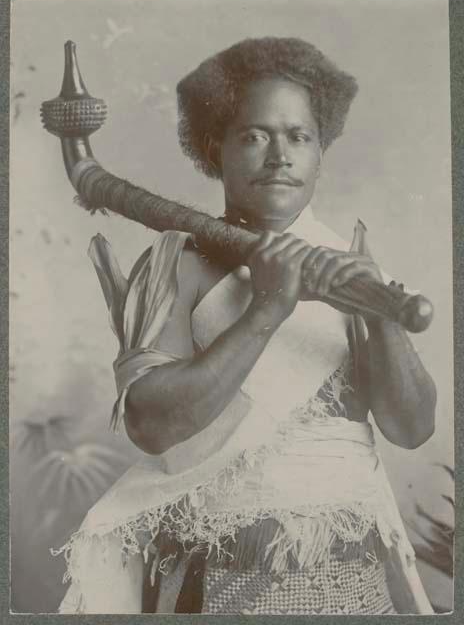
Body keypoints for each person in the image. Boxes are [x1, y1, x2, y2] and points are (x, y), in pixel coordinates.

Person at [56, 37, 436, 615]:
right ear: (217, 148)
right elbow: (150, 425)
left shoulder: (352, 264)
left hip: (355, 580)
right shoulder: (177, 262)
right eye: (255, 135)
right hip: (220, 580)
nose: (280, 155)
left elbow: (412, 429)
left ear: (319, 151)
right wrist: (266, 309)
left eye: (299, 137)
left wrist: (381, 319)